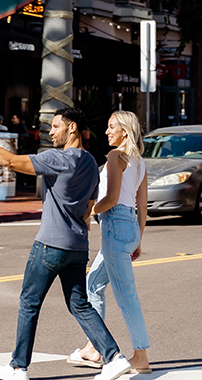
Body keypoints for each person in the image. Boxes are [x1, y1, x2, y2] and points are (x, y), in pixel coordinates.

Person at [0, 108, 133, 380]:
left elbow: (10, 162)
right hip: (77, 246)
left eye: (56, 126)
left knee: (29, 303)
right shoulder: (90, 162)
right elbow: (89, 208)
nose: (51, 131)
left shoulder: (58, 158)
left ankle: (18, 367)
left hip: (50, 245)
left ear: (72, 128)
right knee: (80, 304)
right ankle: (114, 357)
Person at [69, 111, 151, 374]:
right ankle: (94, 348)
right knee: (93, 283)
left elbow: (112, 198)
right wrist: (138, 237)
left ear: (125, 132)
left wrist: (91, 211)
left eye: (111, 127)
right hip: (127, 228)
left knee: (127, 297)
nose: (106, 131)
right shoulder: (139, 161)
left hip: (115, 224)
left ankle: (141, 356)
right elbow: (141, 205)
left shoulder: (116, 156)